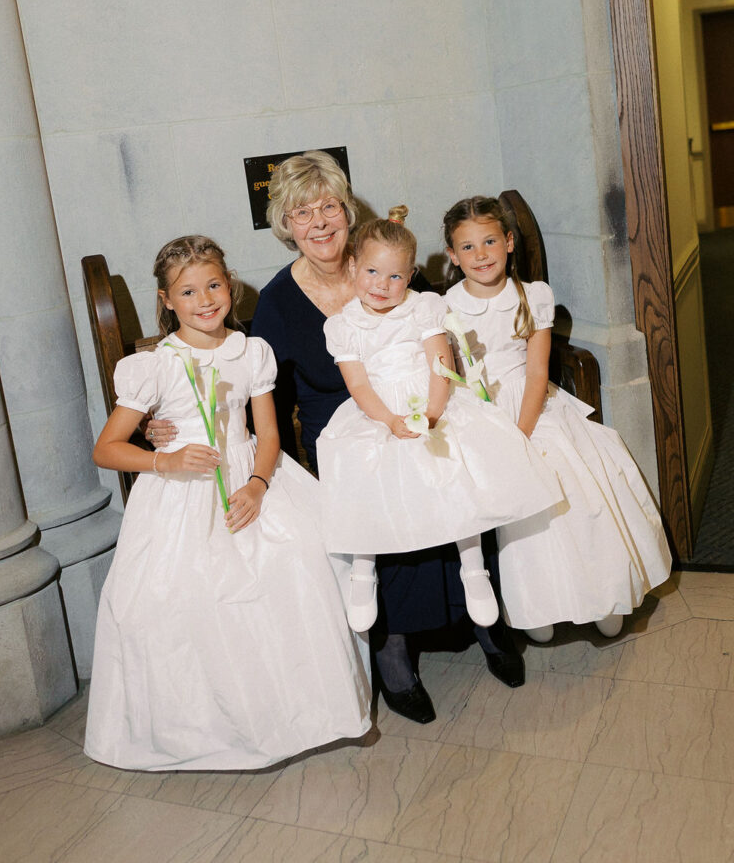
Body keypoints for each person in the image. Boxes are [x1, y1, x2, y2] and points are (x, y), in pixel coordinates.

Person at [248, 151, 528, 725]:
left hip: (421, 404)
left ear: (348, 213)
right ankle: (393, 645)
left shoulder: (387, 261)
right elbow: (263, 398)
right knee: (382, 490)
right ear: (286, 225)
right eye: (303, 213)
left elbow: (440, 334)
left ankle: (484, 618)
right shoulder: (277, 302)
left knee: (457, 463)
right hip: (342, 424)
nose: (320, 222)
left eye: (329, 206)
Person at [84, 235, 370, 771]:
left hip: (251, 477)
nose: (205, 299)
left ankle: (296, 712)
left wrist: (259, 484)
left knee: (304, 559)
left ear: (231, 286)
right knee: (189, 595)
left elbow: (267, 433)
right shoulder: (155, 365)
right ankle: (209, 728)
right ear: (167, 301)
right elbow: (107, 449)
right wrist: (164, 460)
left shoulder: (251, 351)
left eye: (214, 284)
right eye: (188, 291)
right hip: (179, 494)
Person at [316, 207, 563, 635]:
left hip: (432, 397)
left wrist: (432, 413)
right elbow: (358, 385)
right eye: (372, 272)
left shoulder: (423, 308)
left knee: (455, 465)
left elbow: (441, 364)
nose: (382, 285)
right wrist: (391, 421)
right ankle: (363, 569)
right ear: (353, 266)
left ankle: (473, 567)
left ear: (411, 275)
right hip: (377, 408)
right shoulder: (343, 326)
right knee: (361, 469)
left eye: (395, 276)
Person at [442, 196, 673, 642]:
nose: (481, 254)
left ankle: (603, 595)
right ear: (453, 255)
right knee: (522, 512)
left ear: (509, 242)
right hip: (477, 411)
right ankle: (541, 603)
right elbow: (451, 373)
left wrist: (521, 433)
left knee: (574, 485)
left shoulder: (533, 296)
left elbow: (535, 373)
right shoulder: (445, 307)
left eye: (490, 241)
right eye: (467, 247)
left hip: (532, 406)